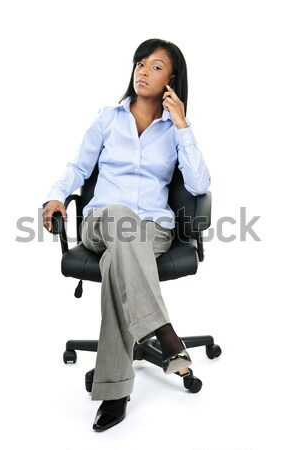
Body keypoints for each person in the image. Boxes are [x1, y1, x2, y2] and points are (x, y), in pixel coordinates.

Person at [42, 38, 211, 432]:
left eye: (155, 66)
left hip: (154, 229)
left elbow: (200, 182)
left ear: (173, 79)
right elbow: (77, 169)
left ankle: (115, 390)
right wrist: (54, 197)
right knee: (119, 218)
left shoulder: (175, 131)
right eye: (140, 63)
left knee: (122, 256)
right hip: (102, 221)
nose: (143, 70)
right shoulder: (107, 118)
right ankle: (164, 333)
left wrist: (182, 125)